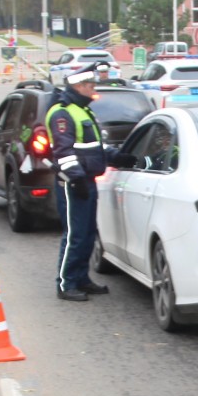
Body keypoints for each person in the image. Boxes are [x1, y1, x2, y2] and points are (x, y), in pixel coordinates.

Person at [45, 63, 137, 301]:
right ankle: (65, 284)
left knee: (87, 233)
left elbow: (95, 147)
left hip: (86, 180)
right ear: (78, 86)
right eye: (91, 85)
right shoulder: (62, 113)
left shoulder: (83, 111)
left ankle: (81, 278)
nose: (94, 88)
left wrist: (119, 157)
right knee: (75, 234)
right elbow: (63, 152)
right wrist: (76, 180)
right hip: (73, 183)